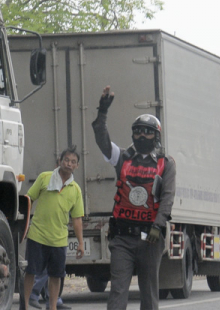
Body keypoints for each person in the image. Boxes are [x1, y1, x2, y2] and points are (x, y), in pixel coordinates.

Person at [92, 86, 176, 310]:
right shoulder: (122, 157)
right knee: (118, 291)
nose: (141, 135)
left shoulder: (165, 163)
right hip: (122, 239)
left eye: (147, 131)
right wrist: (102, 111)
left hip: (151, 237)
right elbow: (102, 140)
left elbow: (167, 197)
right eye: (138, 131)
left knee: (149, 292)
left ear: (156, 135)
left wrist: (158, 226)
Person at [23, 146, 85, 310]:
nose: (69, 164)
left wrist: (80, 243)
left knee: (56, 276)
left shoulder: (76, 190)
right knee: (30, 271)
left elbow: (77, 218)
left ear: (77, 166)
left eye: (73, 162)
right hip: (37, 236)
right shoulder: (45, 178)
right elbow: (29, 200)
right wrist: (23, 226)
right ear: (60, 161)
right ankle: (25, 306)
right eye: (66, 160)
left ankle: (52, 307)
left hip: (59, 240)